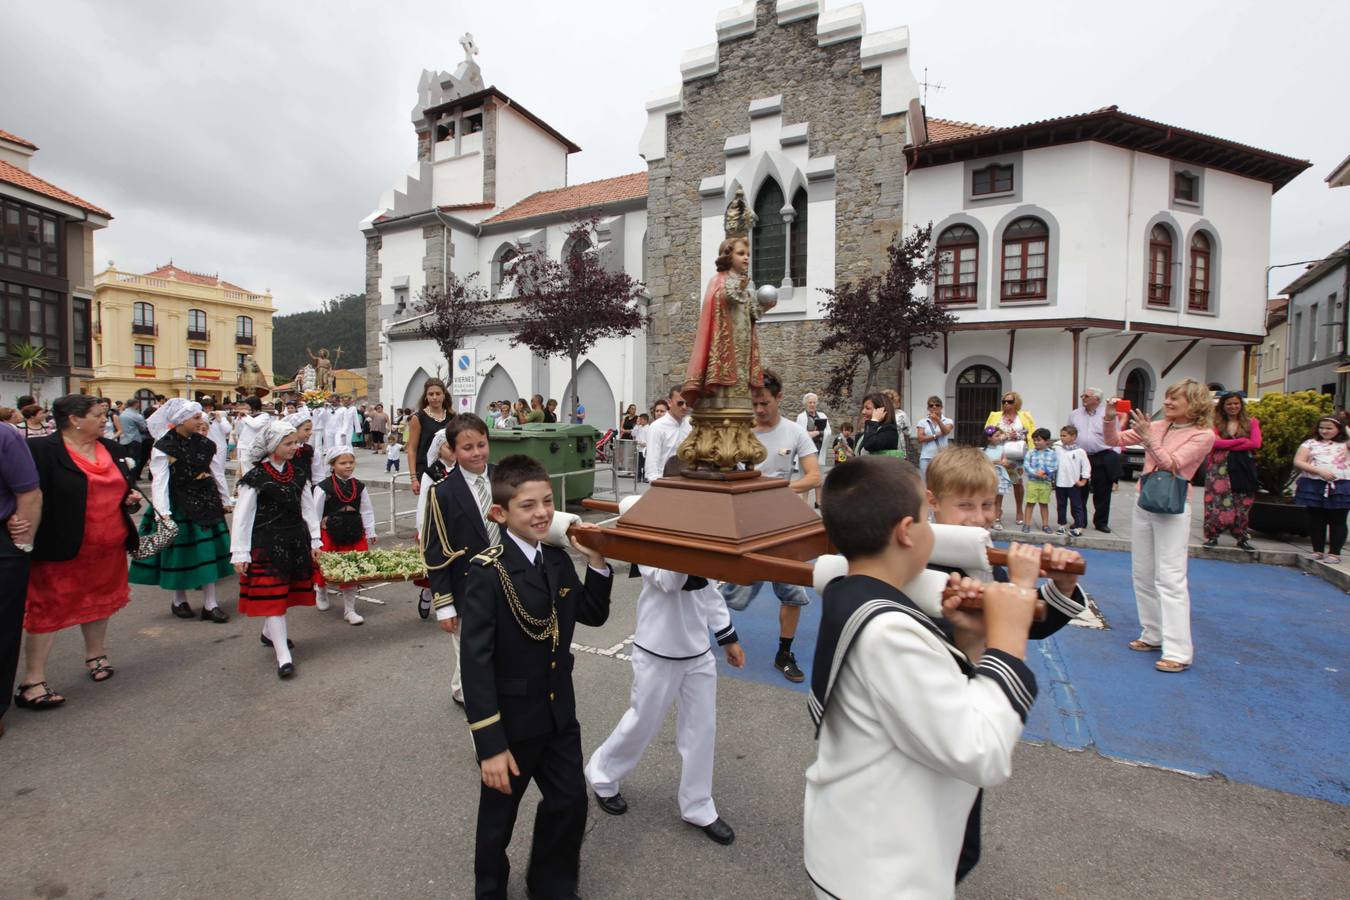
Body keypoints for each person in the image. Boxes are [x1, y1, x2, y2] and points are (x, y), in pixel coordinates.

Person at [804, 456, 1039, 898]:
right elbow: (980, 750)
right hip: (881, 875)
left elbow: (930, 706)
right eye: (930, 519)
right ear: (907, 532)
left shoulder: (853, 593)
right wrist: (1007, 641)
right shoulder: (890, 631)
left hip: (859, 849)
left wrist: (971, 642)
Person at [921, 445, 1087, 883]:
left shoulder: (982, 557)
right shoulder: (922, 560)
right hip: (939, 715)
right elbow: (965, 630)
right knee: (937, 839)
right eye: (965, 506)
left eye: (986, 505)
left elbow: (1026, 626)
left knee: (962, 838)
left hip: (974, 713)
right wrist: (1017, 588)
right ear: (932, 503)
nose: (978, 517)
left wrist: (1063, 587)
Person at [459, 454, 612, 899]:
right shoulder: (488, 571)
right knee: (497, 824)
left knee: (570, 803)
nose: (542, 512)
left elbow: (592, 614)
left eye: (547, 501)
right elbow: (476, 662)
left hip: (558, 715)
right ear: (500, 513)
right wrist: (490, 746)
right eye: (527, 505)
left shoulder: (557, 559)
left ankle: (551, 887)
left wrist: (598, 563)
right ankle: (491, 893)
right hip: (511, 724)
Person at [585, 563, 744, 844]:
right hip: (656, 650)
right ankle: (603, 775)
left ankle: (698, 806)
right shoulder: (653, 531)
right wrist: (687, 545)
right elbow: (669, 581)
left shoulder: (699, 533)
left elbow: (709, 592)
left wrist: (727, 637)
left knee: (702, 729)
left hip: (697, 652)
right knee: (642, 721)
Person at [15, 395, 140, 711]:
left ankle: (96, 655)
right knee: (47, 609)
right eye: (99, 415)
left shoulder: (111, 449)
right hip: (61, 544)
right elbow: (26, 492)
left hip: (107, 544)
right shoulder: (42, 451)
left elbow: (125, 488)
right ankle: (33, 681)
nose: (105, 420)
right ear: (73, 419)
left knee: (99, 601)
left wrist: (131, 499)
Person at [1105, 379, 1215, 673]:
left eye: (1174, 399)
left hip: (1174, 505)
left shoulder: (1204, 435)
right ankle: (1152, 633)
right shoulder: (1157, 426)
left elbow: (1172, 464)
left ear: (1194, 404)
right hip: (1145, 501)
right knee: (1142, 573)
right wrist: (1108, 415)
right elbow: (1113, 440)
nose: (1167, 403)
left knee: (1170, 577)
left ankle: (1179, 651)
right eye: (1167, 398)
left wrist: (1147, 438)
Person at [719, 369, 820, 683]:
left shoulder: (795, 432)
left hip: (783, 528)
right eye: (754, 404)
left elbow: (813, 476)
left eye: (764, 403)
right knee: (732, 595)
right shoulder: (740, 432)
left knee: (793, 593)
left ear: (778, 398)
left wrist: (776, 490)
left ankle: (784, 652)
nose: (759, 410)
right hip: (746, 527)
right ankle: (709, 628)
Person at [230, 421, 322, 679]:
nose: (294, 447)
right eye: (288, 443)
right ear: (273, 446)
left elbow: (308, 507)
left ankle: (269, 633)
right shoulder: (256, 476)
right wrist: (240, 551)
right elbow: (243, 515)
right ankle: (283, 655)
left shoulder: (298, 473)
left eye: (295, 442)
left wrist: (315, 539)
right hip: (266, 543)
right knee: (273, 597)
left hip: (293, 539)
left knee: (284, 594)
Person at [129, 399, 234, 622]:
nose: (201, 421)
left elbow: (216, 471)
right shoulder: (164, 447)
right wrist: (163, 513)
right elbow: (160, 481)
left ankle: (210, 603)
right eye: (196, 418)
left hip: (206, 500)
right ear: (180, 420)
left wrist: (225, 499)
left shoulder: (205, 443)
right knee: (181, 554)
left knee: (207, 554)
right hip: (180, 503)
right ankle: (179, 600)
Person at [418, 414, 495, 705]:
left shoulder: (506, 479)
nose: (476, 453)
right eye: (467, 448)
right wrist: (444, 605)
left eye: (481, 444)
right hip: (468, 587)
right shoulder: (443, 493)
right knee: (470, 649)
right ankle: (473, 700)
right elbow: (435, 552)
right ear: (451, 450)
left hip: (509, 581)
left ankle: (463, 685)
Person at [0, 413, 42, 739]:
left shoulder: (5, 436)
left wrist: (22, 544)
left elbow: (28, 493)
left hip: (4, 544)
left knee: (3, 625)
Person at [312, 447, 377, 626]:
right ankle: (321, 590)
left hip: (354, 530)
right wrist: (315, 537)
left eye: (351, 462)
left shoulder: (359, 486)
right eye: (343, 463)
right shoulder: (323, 487)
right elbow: (315, 514)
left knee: (352, 568)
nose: (348, 466)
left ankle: (350, 609)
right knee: (325, 565)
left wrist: (370, 530)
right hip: (331, 532)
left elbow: (366, 509)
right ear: (333, 465)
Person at [1203, 391, 1262, 551]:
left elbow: (1255, 444)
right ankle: (1212, 536)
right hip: (1219, 467)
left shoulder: (1252, 422)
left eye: (1236, 403)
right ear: (1223, 406)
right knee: (1215, 503)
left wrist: (1229, 443)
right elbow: (1214, 443)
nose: (1233, 406)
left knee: (1242, 503)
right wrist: (1242, 441)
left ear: (1241, 405)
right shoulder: (1214, 423)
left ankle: (1242, 537)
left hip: (1243, 467)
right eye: (1229, 403)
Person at [1293, 416, 1350, 563]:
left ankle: (1335, 553)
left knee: (1338, 519)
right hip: (1314, 485)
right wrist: (1319, 471)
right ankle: (1317, 550)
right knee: (1316, 519)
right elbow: (1299, 461)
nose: (1324, 431)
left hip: (1341, 485)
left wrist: (1346, 429)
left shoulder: (1345, 444)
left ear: (1339, 429)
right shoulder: (1310, 443)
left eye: (1329, 428)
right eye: (1321, 427)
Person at [1068, 388, 1121, 534]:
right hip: (1080, 455)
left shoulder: (1108, 415)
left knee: (1102, 491)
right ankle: (1080, 520)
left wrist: (1114, 455)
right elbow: (1069, 434)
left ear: (1097, 399)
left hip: (1102, 455)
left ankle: (1101, 523)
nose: (1083, 398)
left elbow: (1117, 436)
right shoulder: (1074, 414)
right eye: (1082, 395)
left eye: (1087, 396)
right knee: (1078, 490)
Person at [985, 391, 1035, 527]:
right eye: (1004, 401)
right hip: (998, 452)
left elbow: (1030, 434)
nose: (1006, 404)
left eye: (1010, 401)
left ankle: (1019, 510)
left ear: (1016, 403)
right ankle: (997, 510)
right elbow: (987, 431)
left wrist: (1018, 435)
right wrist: (1004, 435)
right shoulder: (995, 416)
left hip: (1016, 454)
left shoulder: (1024, 416)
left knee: (1017, 482)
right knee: (998, 483)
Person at [406, 378, 450, 497]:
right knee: (430, 508)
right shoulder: (418, 417)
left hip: (449, 468)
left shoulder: (452, 416)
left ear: (444, 395)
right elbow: (412, 449)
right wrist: (413, 478)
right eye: (431, 394)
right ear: (426, 396)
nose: (434, 397)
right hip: (426, 469)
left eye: (438, 393)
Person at [644, 386, 692, 482]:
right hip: (664, 482)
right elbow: (652, 461)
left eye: (687, 403)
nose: (684, 407)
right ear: (669, 403)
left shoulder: (689, 427)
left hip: (685, 482)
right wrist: (656, 484)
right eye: (680, 403)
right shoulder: (657, 427)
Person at [1054, 425, 1091, 536]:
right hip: (1060, 483)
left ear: (1073, 436)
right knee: (1061, 505)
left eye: (1064, 435)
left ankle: (1079, 526)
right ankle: (1062, 524)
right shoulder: (1057, 448)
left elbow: (1086, 466)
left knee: (1076, 505)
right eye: (1061, 435)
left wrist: (1084, 480)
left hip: (1073, 484)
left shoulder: (1080, 451)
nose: (1062, 438)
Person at [1021, 428, 1058, 533]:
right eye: (1034, 440)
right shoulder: (1030, 453)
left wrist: (1046, 473)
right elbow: (1027, 465)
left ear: (1047, 441)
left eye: (1039, 440)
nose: (1036, 442)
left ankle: (1045, 525)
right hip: (1033, 482)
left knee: (1044, 504)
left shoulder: (1052, 453)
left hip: (1045, 483)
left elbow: (1054, 466)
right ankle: (1026, 524)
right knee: (1030, 503)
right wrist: (1036, 472)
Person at [915, 395, 954, 479]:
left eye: (937, 405)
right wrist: (937, 435)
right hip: (926, 457)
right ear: (928, 408)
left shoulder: (948, 421)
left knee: (940, 481)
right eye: (931, 405)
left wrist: (938, 419)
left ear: (941, 407)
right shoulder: (922, 422)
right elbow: (920, 438)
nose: (934, 407)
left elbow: (946, 431)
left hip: (941, 457)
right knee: (925, 481)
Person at [233, 396, 272, 475]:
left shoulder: (264, 416)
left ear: (253, 405)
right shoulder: (247, 416)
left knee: (249, 469)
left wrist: (246, 416)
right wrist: (239, 419)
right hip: (242, 445)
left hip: (253, 446)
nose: (246, 406)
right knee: (242, 469)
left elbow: (256, 425)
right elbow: (238, 430)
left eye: (247, 404)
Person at [796, 393, 832, 471]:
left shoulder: (822, 416)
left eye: (814, 402)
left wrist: (818, 433)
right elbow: (797, 434)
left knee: (818, 473)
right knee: (806, 473)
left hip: (819, 448)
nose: (812, 404)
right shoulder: (801, 417)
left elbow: (829, 432)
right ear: (806, 404)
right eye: (810, 402)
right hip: (806, 450)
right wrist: (807, 434)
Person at [857, 392, 901, 457]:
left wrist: (874, 420)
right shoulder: (872, 429)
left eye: (867, 408)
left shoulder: (889, 430)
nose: (863, 412)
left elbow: (870, 445)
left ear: (881, 410)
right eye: (863, 408)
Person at [631, 413, 651, 479]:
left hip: (645, 449)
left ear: (645, 420)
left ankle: (645, 477)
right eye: (639, 420)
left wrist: (645, 444)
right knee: (639, 463)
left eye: (641, 419)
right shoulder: (638, 427)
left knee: (645, 464)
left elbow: (649, 439)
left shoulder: (649, 428)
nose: (640, 421)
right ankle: (639, 477)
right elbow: (633, 434)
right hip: (638, 448)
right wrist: (637, 425)